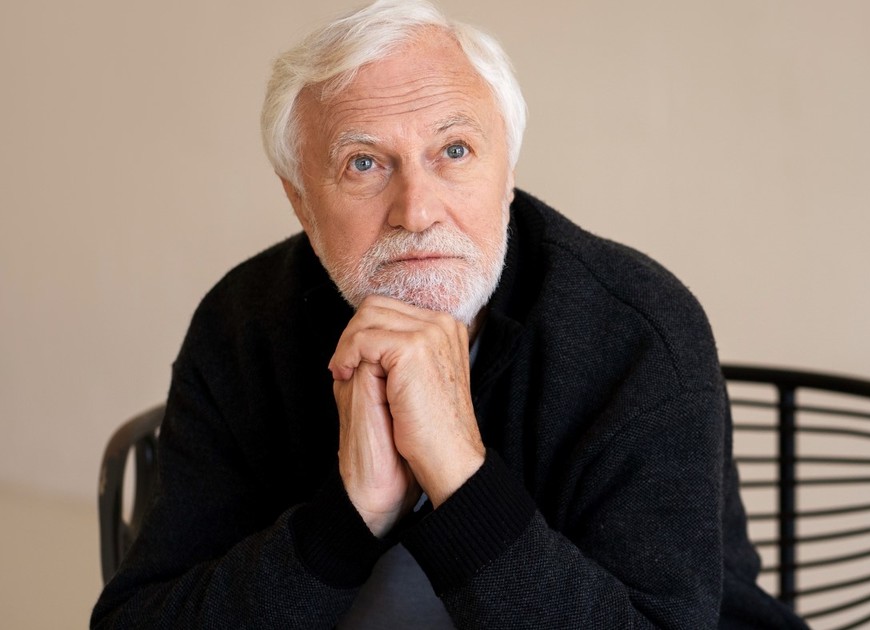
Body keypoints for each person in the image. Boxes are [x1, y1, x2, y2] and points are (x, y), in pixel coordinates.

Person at [91, 1, 807, 628]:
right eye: (364, 163)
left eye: (455, 150)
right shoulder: (242, 325)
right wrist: (346, 520)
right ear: (299, 200)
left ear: (508, 171)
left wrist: (463, 480)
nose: (417, 211)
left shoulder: (637, 333)